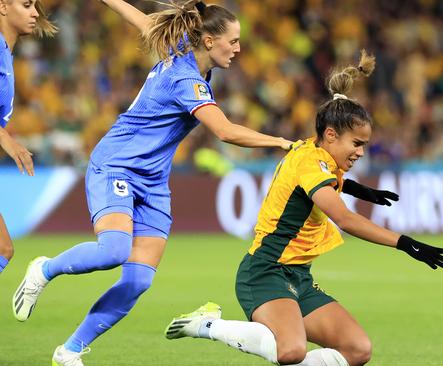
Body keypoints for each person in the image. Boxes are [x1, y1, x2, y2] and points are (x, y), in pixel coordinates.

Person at [12, 1, 293, 365]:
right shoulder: (186, 80)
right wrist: (281, 142)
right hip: (117, 165)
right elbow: (224, 131)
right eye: (233, 41)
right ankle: (44, 269)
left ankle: (70, 351)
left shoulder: (181, 51)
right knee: (113, 250)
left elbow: (144, 22)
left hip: (154, 182)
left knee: (138, 281)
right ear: (208, 41)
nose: (239, 49)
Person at [163, 51, 443, 366]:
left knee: (358, 349)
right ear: (330, 135)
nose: (360, 152)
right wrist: (406, 243)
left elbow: (326, 179)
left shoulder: (315, 151)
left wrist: (359, 188)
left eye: (364, 146)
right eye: (356, 144)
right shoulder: (310, 162)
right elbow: (343, 218)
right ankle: (208, 324)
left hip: (299, 276)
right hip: (265, 272)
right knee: (290, 351)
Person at [0, 1, 56, 276]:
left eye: (35, 5)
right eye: (26, 5)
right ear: (3, 7)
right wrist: (7, 139)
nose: (35, 12)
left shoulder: (6, 55)